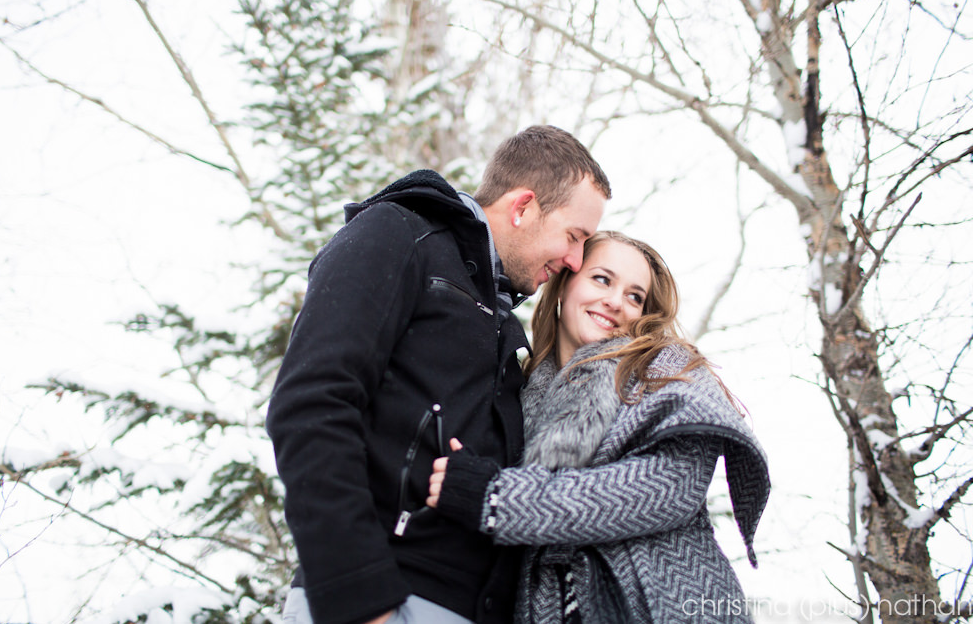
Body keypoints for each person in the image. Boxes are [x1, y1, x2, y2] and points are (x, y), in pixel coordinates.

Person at [266, 125, 611, 624]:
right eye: (573, 236)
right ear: (523, 206)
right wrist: (360, 598)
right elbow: (312, 404)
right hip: (384, 597)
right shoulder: (398, 235)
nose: (575, 261)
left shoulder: (502, 323)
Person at [427, 231, 770, 623]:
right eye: (602, 279)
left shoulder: (665, 369)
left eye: (635, 296)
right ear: (563, 286)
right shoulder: (516, 392)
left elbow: (670, 487)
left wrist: (497, 499)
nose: (615, 302)